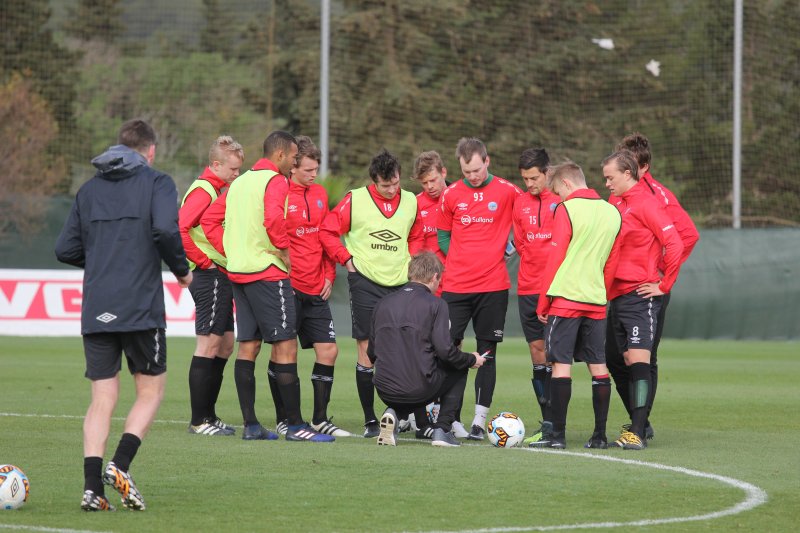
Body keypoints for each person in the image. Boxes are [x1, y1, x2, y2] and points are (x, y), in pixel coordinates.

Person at [55, 119, 192, 511]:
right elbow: (166, 230)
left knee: (102, 398)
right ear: (150, 151)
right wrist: (182, 271)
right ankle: (120, 465)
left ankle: (91, 489)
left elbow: (65, 249)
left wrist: (102, 261)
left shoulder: (88, 190)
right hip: (140, 305)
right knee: (151, 391)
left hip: (97, 305)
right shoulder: (157, 182)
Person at [200, 130, 334, 443]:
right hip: (267, 273)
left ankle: (251, 426)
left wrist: (232, 251)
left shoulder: (240, 181)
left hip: (239, 274)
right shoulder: (274, 181)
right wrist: (284, 251)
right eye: (292, 157)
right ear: (280, 155)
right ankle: (298, 426)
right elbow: (275, 220)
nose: (295, 163)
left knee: (249, 347)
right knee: (285, 346)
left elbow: (208, 221)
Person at [320, 148, 424, 437]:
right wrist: (347, 260)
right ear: (373, 181)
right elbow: (327, 231)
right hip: (365, 281)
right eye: (385, 185)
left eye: (395, 183)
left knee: (407, 348)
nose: (391, 190)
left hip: (402, 283)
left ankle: (409, 418)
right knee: (366, 349)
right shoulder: (355, 199)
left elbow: (416, 234)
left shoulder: (411, 201)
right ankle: (369, 420)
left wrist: (413, 261)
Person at [605, 133, 700, 441]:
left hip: (647, 289)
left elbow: (685, 237)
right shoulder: (617, 197)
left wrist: (661, 276)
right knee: (616, 358)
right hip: (618, 291)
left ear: (640, 167)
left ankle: (639, 426)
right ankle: (639, 420)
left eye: (629, 164)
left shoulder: (657, 197)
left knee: (643, 357)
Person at [526, 162, 622, 449]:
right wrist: (600, 295)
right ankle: (600, 436)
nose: (558, 198)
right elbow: (611, 263)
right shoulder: (612, 212)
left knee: (560, 366)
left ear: (567, 184)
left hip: (566, 300)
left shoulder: (566, 210)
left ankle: (557, 436)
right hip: (595, 301)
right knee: (598, 367)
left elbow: (555, 258)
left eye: (557, 192)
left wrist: (543, 301)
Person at [436, 137, 521, 440]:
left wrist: (508, 248)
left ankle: (478, 421)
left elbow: (525, 224)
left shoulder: (509, 191)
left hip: (493, 288)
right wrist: (457, 261)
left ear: (487, 161)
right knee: (448, 350)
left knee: (488, 352)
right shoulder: (450, 195)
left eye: (476, 169)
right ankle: (449, 419)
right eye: (466, 171)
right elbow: (442, 236)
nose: (472, 176)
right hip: (456, 287)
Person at [368, 252, 487, 447]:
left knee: (412, 380)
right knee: (458, 367)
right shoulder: (437, 304)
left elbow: (371, 353)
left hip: (383, 388)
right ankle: (442, 429)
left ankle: (393, 414)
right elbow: (446, 352)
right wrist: (471, 359)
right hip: (418, 387)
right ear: (434, 277)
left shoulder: (382, 303)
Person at [280, 135, 349, 437]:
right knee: (286, 353)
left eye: (315, 169)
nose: (312, 175)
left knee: (329, 351)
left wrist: (329, 276)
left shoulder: (320, 194)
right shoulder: (279, 194)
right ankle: (286, 418)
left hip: (316, 286)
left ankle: (320, 418)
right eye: (307, 170)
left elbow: (326, 237)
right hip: (287, 286)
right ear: (292, 167)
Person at [179, 135, 244, 436]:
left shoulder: (220, 189)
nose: (236, 175)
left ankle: (209, 415)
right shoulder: (204, 190)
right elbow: (179, 228)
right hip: (209, 275)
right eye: (232, 169)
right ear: (215, 164)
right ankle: (198, 420)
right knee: (208, 344)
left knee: (226, 344)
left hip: (221, 274)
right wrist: (203, 262)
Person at [511, 148, 561, 445]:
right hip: (528, 289)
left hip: (556, 290)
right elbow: (519, 242)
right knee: (537, 353)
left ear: (547, 173)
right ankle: (547, 419)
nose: (529, 184)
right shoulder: (520, 203)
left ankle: (558, 421)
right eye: (525, 179)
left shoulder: (562, 202)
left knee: (558, 357)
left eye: (534, 178)